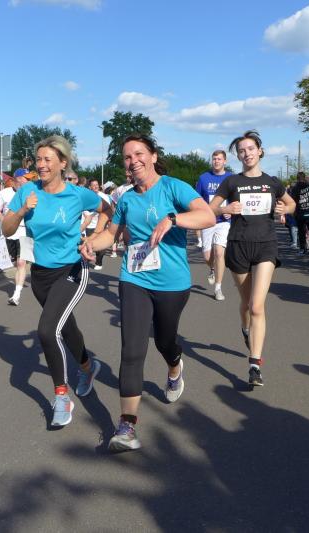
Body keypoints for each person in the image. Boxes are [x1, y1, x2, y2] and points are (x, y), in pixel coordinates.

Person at [80, 134, 215, 452]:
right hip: (134, 278)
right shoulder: (127, 199)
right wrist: (90, 244)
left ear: (153, 156)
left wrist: (173, 219)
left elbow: (207, 216)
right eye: (127, 157)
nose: (133, 161)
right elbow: (111, 234)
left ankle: (174, 365)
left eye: (139, 154)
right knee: (132, 349)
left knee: (165, 340)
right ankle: (126, 426)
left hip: (172, 282)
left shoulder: (173, 187)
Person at [3, 135, 112, 427]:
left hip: (72, 269)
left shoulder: (78, 194)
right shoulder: (28, 190)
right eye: (38, 159)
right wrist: (23, 210)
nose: (41, 165)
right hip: (41, 274)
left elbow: (108, 211)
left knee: (47, 330)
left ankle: (61, 396)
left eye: (47, 160)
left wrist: (94, 238)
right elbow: (6, 228)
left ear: (63, 163)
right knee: (67, 327)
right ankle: (88, 368)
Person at [209, 130, 296, 387]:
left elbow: (291, 204)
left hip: (266, 246)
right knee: (247, 304)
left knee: (257, 306)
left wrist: (284, 208)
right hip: (238, 246)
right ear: (238, 156)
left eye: (250, 149)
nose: (246, 153)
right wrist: (225, 209)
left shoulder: (272, 182)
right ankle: (245, 328)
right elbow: (210, 208)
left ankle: (254, 365)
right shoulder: (231, 182)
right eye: (241, 151)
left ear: (259, 151)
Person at [195, 149, 234, 301]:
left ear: (225, 161)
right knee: (207, 256)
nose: (216, 161)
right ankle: (212, 268)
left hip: (224, 221)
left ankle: (218, 288)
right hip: (208, 220)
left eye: (219, 159)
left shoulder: (231, 178)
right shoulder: (203, 178)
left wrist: (230, 211)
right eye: (214, 159)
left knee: (219, 252)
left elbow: (236, 198)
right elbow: (197, 199)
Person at [0, 171, 30, 305]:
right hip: (10, 232)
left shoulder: (32, 193)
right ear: (18, 179)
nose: (28, 181)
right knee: (15, 263)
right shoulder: (4, 193)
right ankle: (19, 283)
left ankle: (16, 294)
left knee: (21, 263)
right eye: (26, 178)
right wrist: (5, 221)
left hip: (25, 231)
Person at [83, 178, 113, 270]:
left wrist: (108, 221)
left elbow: (108, 210)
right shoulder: (86, 197)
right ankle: (86, 261)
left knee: (101, 247)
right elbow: (85, 213)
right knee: (88, 244)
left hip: (101, 225)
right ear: (90, 187)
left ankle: (99, 262)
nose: (96, 186)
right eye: (94, 185)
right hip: (90, 226)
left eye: (97, 184)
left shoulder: (104, 196)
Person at [290, 172, 309, 255]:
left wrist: (293, 212)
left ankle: (302, 249)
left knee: (301, 232)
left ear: (297, 178)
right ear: (304, 178)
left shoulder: (295, 188)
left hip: (300, 213)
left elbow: (292, 201)